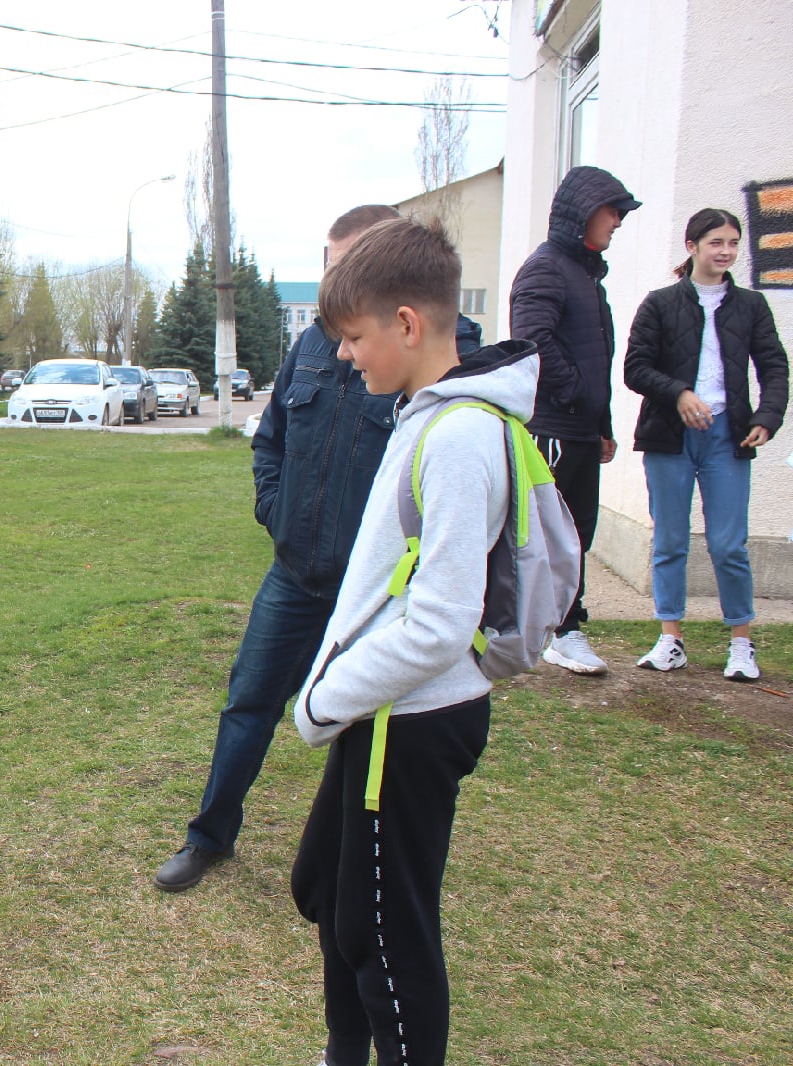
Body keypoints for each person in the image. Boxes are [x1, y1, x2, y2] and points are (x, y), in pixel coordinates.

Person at [153, 205, 482, 893]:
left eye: (348, 265)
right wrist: (276, 512)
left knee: (364, 725)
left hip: (377, 591)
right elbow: (269, 438)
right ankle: (209, 836)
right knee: (248, 703)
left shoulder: (443, 356)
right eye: (329, 265)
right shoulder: (311, 346)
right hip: (295, 572)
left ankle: (347, 856)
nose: (336, 283)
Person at [289, 217, 537, 1066]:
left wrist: (324, 699)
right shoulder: (422, 416)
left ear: (405, 323)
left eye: (354, 336)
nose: (344, 354)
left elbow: (439, 622)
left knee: (389, 941)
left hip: (412, 720)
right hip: (383, 713)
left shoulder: (459, 435)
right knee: (329, 893)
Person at [623, 207, 788, 680]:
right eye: (716, 242)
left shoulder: (752, 306)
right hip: (669, 436)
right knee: (670, 541)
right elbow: (636, 368)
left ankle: (741, 644)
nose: (726, 251)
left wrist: (768, 417)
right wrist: (679, 393)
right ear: (692, 246)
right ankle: (670, 639)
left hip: (728, 437)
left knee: (728, 545)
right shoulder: (659, 303)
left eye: (733, 243)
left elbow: (774, 366)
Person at [509, 165, 642, 676]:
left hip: (581, 430)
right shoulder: (545, 268)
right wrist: (576, 397)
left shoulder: (586, 276)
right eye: (613, 211)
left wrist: (601, 424)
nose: (618, 222)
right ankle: (553, 631)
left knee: (578, 532)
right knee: (550, 534)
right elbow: (532, 342)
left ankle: (561, 629)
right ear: (583, 212)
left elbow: (595, 360)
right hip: (553, 429)